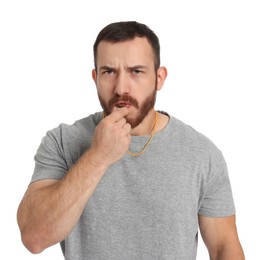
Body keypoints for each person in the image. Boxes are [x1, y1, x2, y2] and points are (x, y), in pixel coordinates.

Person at [17, 21, 245, 259]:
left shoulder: (202, 153)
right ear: (95, 77)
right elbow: (34, 237)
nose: (121, 88)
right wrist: (97, 157)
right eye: (109, 72)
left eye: (136, 71)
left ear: (159, 78)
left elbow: (223, 248)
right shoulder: (62, 141)